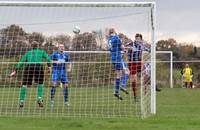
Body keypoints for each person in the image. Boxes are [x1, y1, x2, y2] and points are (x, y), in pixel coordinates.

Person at [10, 41, 51, 108]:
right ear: (38, 46)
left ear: (31, 46)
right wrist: (49, 67)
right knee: (40, 83)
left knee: (24, 85)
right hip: (39, 67)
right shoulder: (42, 52)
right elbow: (48, 59)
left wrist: (15, 71)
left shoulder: (28, 53)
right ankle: (39, 98)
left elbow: (21, 62)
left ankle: (21, 101)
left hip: (29, 67)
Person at [125, 33, 150, 101]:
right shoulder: (131, 44)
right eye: (137, 39)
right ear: (135, 39)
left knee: (146, 74)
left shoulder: (142, 46)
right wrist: (129, 48)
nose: (138, 40)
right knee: (134, 79)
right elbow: (124, 47)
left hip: (139, 62)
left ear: (141, 39)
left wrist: (150, 50)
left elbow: (148, 50)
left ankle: (145, 90)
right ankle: (135, 96)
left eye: (139, 39)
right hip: (132, 63)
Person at [50, 44, 71, 109]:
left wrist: (70, 68)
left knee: (66, 86)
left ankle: (66, 102)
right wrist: (56, 62)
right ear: (58, 48)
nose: (62, 48)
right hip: (56, 71)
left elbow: (69, 62)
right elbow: (49, 60)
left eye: (63, 47)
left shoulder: (66, 55)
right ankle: (52, 101)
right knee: (54, 84)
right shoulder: (54, 54)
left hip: (63, 72)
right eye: (60, 47)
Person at [108, 28, 124, 100]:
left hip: (112, 58)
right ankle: (117, 90)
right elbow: (122, 47)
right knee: (119, 74)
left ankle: (117, 88)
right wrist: (124, 50)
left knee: (119, 73)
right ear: (114, 32)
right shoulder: (116, 37)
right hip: (117, 57)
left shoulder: (109, 39)